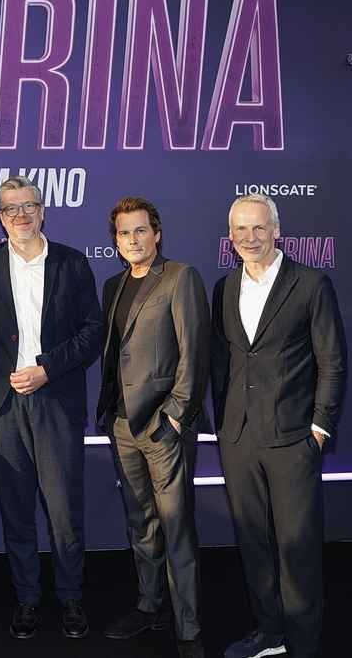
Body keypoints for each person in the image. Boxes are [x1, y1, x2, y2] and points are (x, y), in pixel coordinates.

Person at [0, 176, 104, 640]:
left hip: (56, 400)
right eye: (10, 208)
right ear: (0, 217)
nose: (20, 214)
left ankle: (70, 598)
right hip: (5, 409)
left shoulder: (72, 263)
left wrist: (47, 368)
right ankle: (27, 599)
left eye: (28, 206)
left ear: (42, 211)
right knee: (17, 511)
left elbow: (92, 332)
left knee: (64, 512)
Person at [211, 194, 347, 658]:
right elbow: (222, 361)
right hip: (238, 438)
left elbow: (332, 361)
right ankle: (269, 633)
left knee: (297, 550)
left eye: (259, 228)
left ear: (276, 230)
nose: (250, 238)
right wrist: (223, 423)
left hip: (293, 437)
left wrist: (319, 427)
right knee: (254, 544)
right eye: (240, 230)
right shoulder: (224, 288)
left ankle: (303, 645)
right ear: (230, 238)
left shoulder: (310, 284)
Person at [95, 198, 209, 658]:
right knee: (140, 523)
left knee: (176, 525)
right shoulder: (113, 285)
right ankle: (149, 606)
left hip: (164, 426)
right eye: (124, 233)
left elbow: (194, 352)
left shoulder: (180, 277)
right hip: (121, 424)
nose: (133, 240)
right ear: (116, 241)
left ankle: (189, 627)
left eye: (141, 231)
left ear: (156, 234)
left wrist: (176, 414)